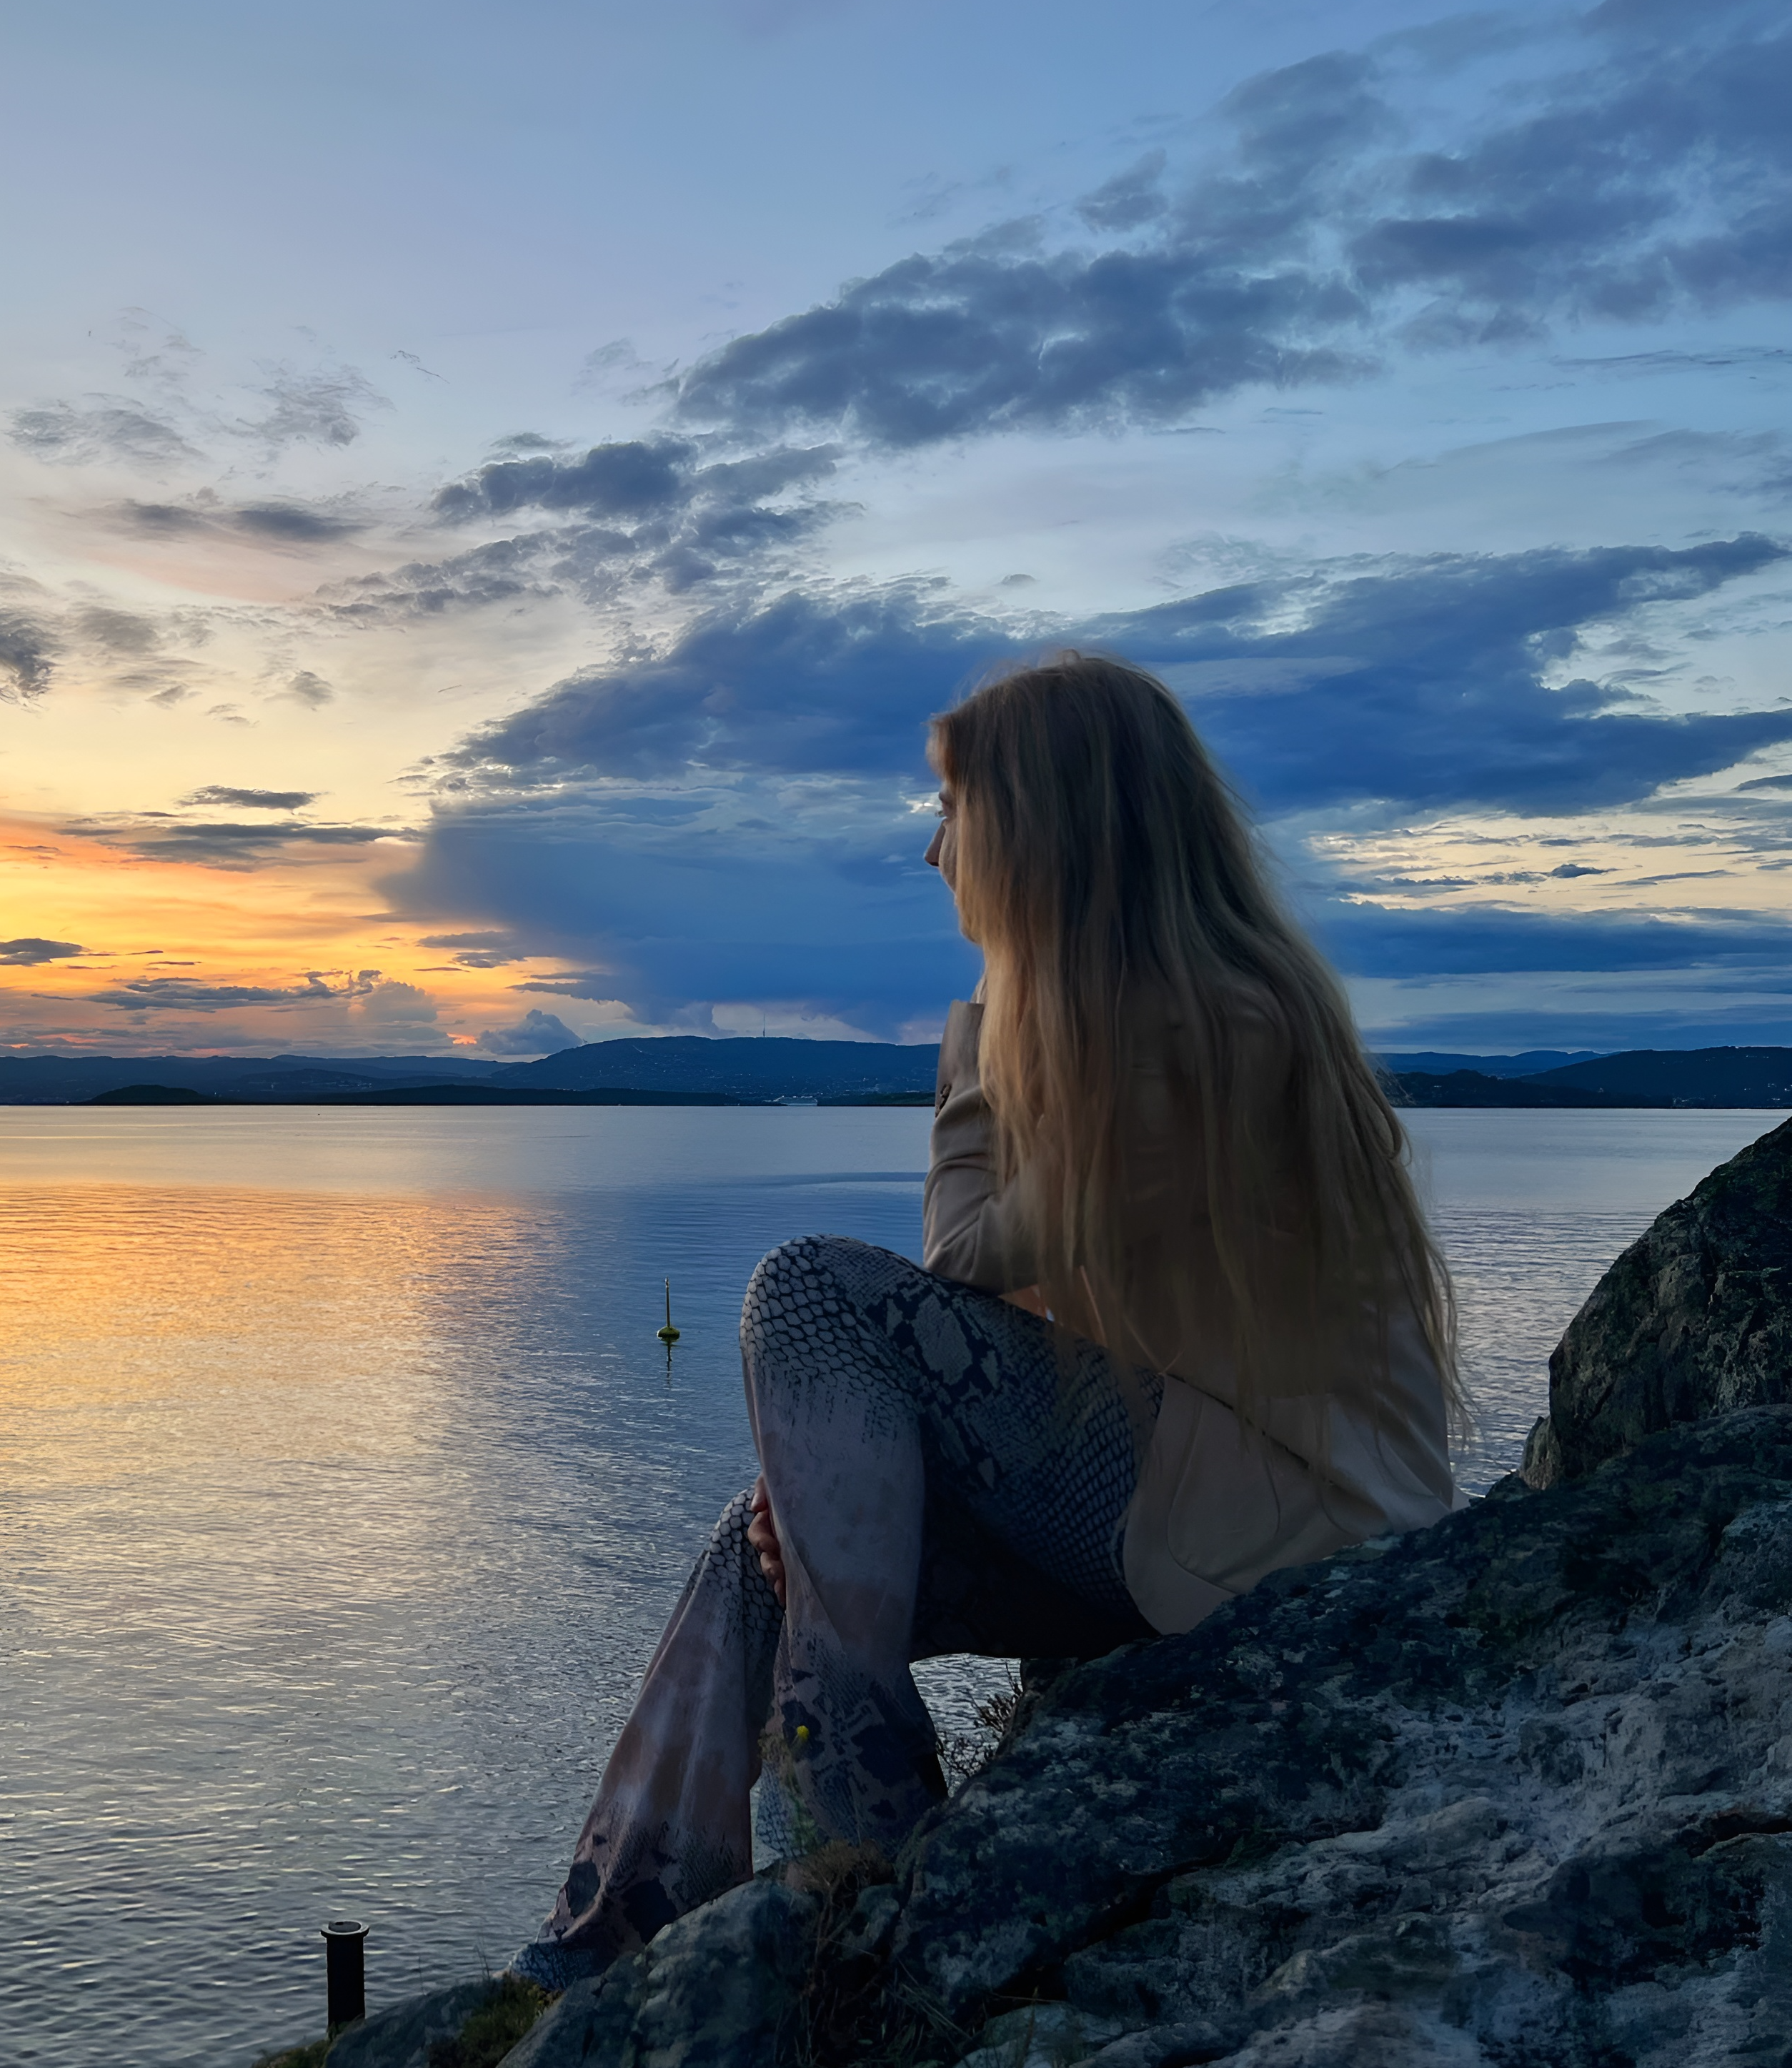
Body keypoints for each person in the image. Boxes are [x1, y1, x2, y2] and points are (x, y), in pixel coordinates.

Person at [511, 652, 1459, 1989]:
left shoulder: (1219, 1032)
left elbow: (961, 1260)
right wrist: (819, 1495)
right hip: (1187, 1512)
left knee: (812, 1293)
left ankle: (858, 1839)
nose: (931, 844)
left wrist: (972, 1056)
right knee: (759, 1532)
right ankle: (608, 1941)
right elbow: (1027, 1323)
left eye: (954, 806)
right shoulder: (1159, 1023)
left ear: (1039, 823)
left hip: (1288, 1530)